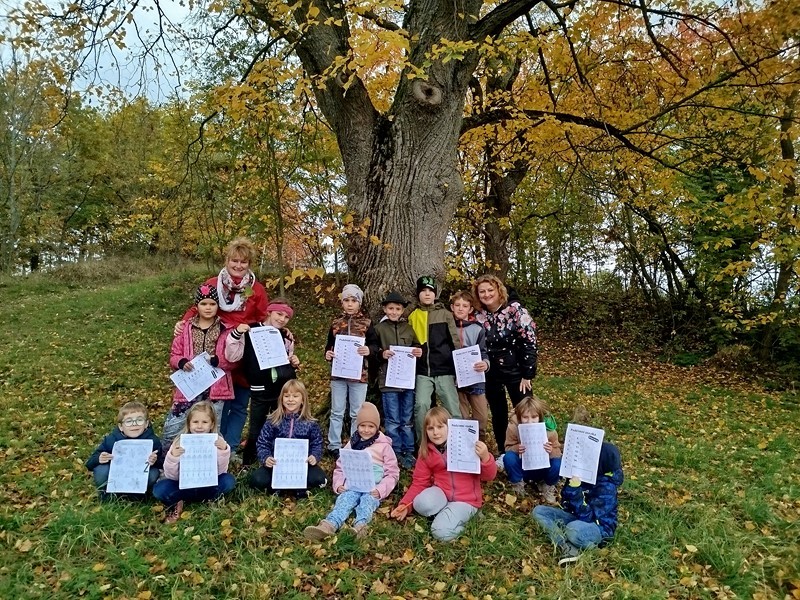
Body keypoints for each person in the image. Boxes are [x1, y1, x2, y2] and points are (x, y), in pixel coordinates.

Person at [175, 237, 270, 453]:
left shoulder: (256, 289)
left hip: (243, 350)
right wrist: (182, 323)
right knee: (216, 401)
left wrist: (281, 332)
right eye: (234, 260)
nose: (238, 265)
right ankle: (210, 445)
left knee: (239, 403)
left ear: (249, 264)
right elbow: (197, 307)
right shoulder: (212, 284)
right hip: (215, 350)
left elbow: (263, 318)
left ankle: (230, 446)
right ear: (227, 260)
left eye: (243, 262)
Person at [390, 407, 496, 542]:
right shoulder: (427, 451)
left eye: (440, 427)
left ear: (450, 426)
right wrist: (405, 505)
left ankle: (468, 521)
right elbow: (419, 482)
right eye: (431, 428)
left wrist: (485, 457)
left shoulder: (467, 446)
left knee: (439, 532)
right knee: (420, 503)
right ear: (425, 431)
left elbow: (489, 476)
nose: (436, 432)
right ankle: (445, 513)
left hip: (466, 501)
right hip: (442, 494)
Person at [303, 402, 400, 540]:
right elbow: (341, 466)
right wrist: (338, 484)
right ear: (357, 426)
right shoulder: (352, 443)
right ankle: (328, 525)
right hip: (353, 483)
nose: (366, 430)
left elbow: (393, 473)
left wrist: (381, 490)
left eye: (371, 426)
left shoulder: (384, 447)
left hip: (373, 487)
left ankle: (360, 527)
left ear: (377, 427)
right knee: (345, 500)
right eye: (362, 426)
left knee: (367, 502)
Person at [225, 298, 301, 466]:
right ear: (269, 312)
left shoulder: (285, 336)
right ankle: (249, 463)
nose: (282, 319)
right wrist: (236, 334)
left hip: (283, 390)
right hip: (260, 388)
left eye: (286, 317)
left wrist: (293, 361)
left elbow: (287, 358)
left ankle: (278, 461)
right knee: (256, 427)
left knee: (281, 424)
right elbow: (232, 356)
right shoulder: (250, 331)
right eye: (279, 314)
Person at [164, 284, 236, 451]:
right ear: (196, 306)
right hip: (189, 384)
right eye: (204, 304)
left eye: (212, 304)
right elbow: (174, 355)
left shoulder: (226, 329)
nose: (208, 307)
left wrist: (218, 361)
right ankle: (168, 457)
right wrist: (181, 362)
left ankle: (210, 459)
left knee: (210, 427)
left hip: (216, 387)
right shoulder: (185, 328)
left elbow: (235, 359)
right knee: (174, 425)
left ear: (218, 306)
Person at [472, 274, 538, 454]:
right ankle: (504, 450)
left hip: (516, 370)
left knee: (525, 410)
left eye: (490, 290)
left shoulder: (516, 310)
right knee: (498, 412)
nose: (486, 294)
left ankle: (532, 451)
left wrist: (528, 374)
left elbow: (529, 341)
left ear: (499, 290)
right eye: (482, 291)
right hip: (491, 372)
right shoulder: (478, 314)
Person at [532, 441, 623, 566]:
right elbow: (566, 503)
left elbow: (588, 516)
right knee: (539, 511)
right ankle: (564, 545)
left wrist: (576, 492)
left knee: (573, 529)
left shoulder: (607, 488)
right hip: (576, 518)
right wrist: (570, 483)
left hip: (598, 527)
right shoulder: (588, 475)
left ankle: (591, 548)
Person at [153, 401, 236, 524]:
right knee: (159, 489)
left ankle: (210, 499)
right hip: (183, 487)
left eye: (205, 422)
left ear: (212, 424)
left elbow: (221, 471)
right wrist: (173, 457)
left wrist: (223, 450)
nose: (199, 426)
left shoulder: (217, 441)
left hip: (208, 486)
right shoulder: (179, 442)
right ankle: (178, 502)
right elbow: (171, 476)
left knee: (228, 480)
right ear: (189, 423)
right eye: (195, 422)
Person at [324, 284, 379, 457]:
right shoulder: (335, 323)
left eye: (353, 300)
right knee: (337, 411)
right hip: (338, 375)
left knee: (357, 412)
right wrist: (328, 354)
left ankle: (356, 443)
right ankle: (334, 445)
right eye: (346, 300)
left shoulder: (367, 323)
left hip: (359, 375)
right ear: (342, 302)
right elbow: (329, 345)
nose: (349, 304)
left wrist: (369, 350)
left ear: (359, 303)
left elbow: (375, 345)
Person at [249, 379, 327, 497]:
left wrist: (314, 456)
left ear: (303, 400)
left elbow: (317, 443)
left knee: (319, 479)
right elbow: (262, 442)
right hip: (276, 465)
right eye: (287, 396)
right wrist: (266, 457)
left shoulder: (311, 423)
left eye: (295, 396)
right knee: (257, 480)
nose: (290, 399)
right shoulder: (273, 421)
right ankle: (277, 486)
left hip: (302, 465)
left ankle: (299, 487)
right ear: (281, 399)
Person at [409, 276, 462, 444]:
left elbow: (455, 342)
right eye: (423, 291)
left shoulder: (446, 314)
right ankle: (423, 446)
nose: (427, 294)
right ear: (418, 294)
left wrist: (459, 370)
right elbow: (408, 340)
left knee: (452, 408)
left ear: (435, 294)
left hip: (444, 370)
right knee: (421, 406)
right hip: (423, 371)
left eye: (430, 291)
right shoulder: (412, 315)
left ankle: (457, 445)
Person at [374, 291, 422, 468]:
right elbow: (372, 350)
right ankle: (394, 451)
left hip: (407, 381)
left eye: (398, 309)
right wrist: (382, 354)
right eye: (391, 308)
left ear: (402, 311)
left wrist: (418, 351)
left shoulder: (408, 328)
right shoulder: (379, 329)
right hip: (388, 381)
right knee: (392, 420)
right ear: (385, 309)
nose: (394, 312)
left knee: (407, 419)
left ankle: (408, 451)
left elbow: (416, 346)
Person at [85, 401, 163, 502]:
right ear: (121, 426)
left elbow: (162, 464)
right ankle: (107, 496)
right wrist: (99, 458)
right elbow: (89, 463)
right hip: (116, 476)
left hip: (139, 476)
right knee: (101, 470)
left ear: (146, 424)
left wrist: (154, 461)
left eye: (139, 420)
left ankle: (138, 497)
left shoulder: (153, 441)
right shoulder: (111, 440)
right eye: (129, 421)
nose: (134, 424)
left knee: (153, 473)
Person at [503, 395, 561, 502]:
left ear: (540, 416)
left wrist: (551, 450)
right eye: (525, 417)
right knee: (508, 457)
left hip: (542, 469)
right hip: (523, 468)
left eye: (534, 417)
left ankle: (547, 485)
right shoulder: (513, 427)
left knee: (558, 463)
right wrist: (516, 448)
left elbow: (558, 452)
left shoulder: (549, 430)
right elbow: (507, 447)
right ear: (519, 417)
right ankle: (518, 483)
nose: (530, 421)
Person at [450, 290, 490, 442]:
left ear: (470, 309)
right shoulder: (447, 327)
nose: (461, 308)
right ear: (452, 307)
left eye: (465, 306)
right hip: (456, 379)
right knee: (462, 417)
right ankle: (464, 448)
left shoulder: (477, 329)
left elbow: (484, 351)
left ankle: (481, 446)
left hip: (475, 378)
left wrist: (485, 364)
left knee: (482, 417)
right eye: (457, 305)